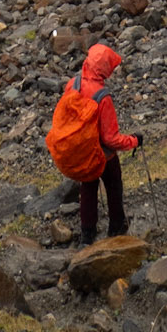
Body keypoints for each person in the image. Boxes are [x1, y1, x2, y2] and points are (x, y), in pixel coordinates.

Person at [48, 42, 140, 246]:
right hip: (102, 155)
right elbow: (111, 139)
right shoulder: (102, 97)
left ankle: (87, 235)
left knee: (88, 188)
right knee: (114, 184)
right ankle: (116, 226)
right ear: (104, 68)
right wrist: (135, 140)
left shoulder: (73, 84)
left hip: (82, 152)